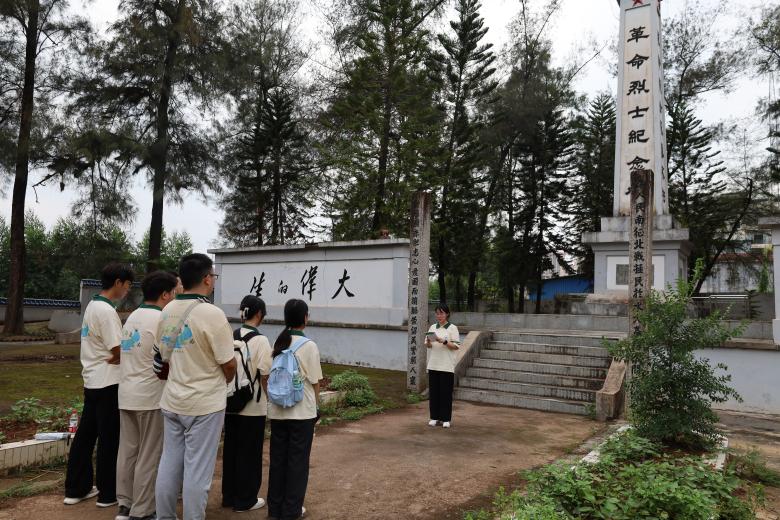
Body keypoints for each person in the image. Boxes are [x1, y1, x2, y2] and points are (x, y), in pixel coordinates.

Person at [154, 254, 237, 520]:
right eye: (213, 276)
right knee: (197, 472)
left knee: (169, 463)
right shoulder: (212, 313)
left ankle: (165, 516)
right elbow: (229, 363)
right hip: (204, 404)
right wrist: (225, 380)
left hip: (173, 400)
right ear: (206, 279)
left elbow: (162, 354)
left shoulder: (167, 311)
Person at [64, 263, 135, 507]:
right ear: (118, 282)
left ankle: (76, 488)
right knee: (109, 438)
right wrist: (124, 356)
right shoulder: (106, 311)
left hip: (93, 380)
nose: (127, 290)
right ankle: (108, 493)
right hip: (108, 382)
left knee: (85, 436)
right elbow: (118, 349)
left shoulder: (93, 305)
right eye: (127, 285)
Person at [115, 271, 178, 520]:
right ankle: (142, 510)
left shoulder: (132, 317)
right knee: (149, 455)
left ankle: (125, 503)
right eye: (174, 292)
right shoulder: (161, 319)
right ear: (165, 294)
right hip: (150, 397)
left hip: (126, 394)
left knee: (128, 451)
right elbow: (168, 358)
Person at [267, 299, 323, 520]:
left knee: (278, 461)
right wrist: (317, 407)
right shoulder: (309, 345)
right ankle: (291, 510)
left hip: (278, 411)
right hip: (302, 412)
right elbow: (315, 381)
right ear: (305, 318)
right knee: (297, 463)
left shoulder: (279, 342)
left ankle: (275, 509)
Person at [222, 295, 273, 513]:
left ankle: (229, 496)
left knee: (231, 450)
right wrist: (270, 399)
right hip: (253, 405)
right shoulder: (261, 341)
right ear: (259, 314)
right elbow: (265, 374)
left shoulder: (231, 336)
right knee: (250, 453)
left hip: (230, 403)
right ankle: (245, 499)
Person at [425, 303, 460, 428]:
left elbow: (455, 346)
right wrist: (428, 342)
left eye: (442, 313)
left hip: (446, 365)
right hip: (433, 364)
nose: (439, 316)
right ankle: (434, 417)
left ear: (447, 314)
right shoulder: (432, 327)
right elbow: (428, 346)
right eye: (437, 313)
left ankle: (445, 419)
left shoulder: (452, 328)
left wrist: (444, 341)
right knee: (434, 393)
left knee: (445, 393)